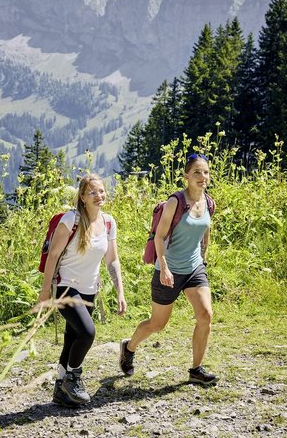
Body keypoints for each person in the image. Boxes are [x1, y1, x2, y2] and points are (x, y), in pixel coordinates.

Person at [119, 153, 218, 386]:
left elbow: (205, 231)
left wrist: (203, 258)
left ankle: (196, 370)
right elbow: (160, 237)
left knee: (206, 315)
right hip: (169, 270)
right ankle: (129, 348)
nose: (202, 177)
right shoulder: (175, 202)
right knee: (157, 324)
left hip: (194, 268)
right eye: (196, 172)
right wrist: (164, 267)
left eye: (205, 172)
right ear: (186, 176)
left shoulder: (209, 202)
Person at [39, 174, 127, 407]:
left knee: (72, 339)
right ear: (82, 197)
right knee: (88, 333)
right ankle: (73, 378)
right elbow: (53, 256)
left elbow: (112, 260)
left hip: (89, 290)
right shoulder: (71, 220)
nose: (99, 196)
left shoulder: (108, 222)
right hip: (66, 286)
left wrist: (120, 292)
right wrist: (45, 291)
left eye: (101, 191)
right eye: (92, 192)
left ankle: (61, 390)